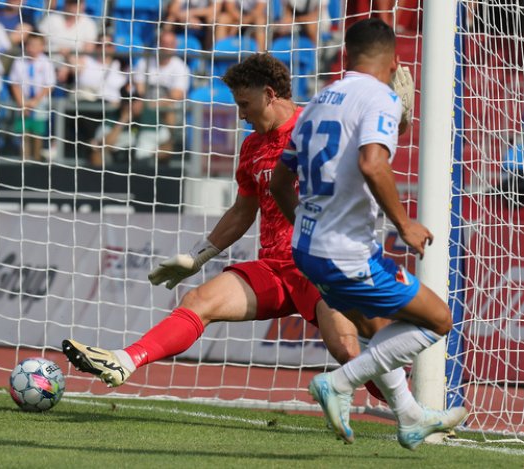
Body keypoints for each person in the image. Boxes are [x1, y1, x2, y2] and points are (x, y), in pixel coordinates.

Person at [62, 53, 389, 405]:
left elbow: (369, 153)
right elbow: (243, 210)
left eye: (245, 104)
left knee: (346, 349)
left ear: (268, 94)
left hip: (320, 265)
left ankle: (414, 410)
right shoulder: (252, 147)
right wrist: (197, 257)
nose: (241, 115)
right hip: (275, 268)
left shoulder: (317, 127)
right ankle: (124, 361)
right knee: (197, 300)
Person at [269, 18, 467, 449]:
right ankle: (339, 382)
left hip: (306, 248)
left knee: (378, 325)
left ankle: (410, 416)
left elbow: (278, 183)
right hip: (346, 253)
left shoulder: (318, 101)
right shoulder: (380, 97)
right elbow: (372, 163)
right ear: (396, 61)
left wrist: (307, 221)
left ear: (346, 56)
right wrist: (406, 223)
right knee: (438, 320)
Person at [130, 30, 191, 164]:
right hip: (146, 105)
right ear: (158, 45)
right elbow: (139, 88)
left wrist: (150, 104)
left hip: (166, 108)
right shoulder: (144, 62)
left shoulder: (181, 67)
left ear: (175, 46)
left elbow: (176, 95)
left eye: (170, 44)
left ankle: (170, 143)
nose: (167, 48)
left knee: (169, 108)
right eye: (164, 44)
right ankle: (128, 144)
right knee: (132, 105)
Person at [71, 34, 128, 166]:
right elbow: (71, 65)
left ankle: (96, 146)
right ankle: (94, 144)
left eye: (108, 45)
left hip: (113, 111)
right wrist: (85, 47)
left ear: (113, 48)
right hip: (90, 108)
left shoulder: (122, 66)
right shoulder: (87, 61)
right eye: (100, 45)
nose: (104, 48)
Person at [9, 32, 56, 161]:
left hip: (39, 103)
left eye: (36, 45)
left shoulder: (46, 62)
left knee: (38, 133)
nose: (33, 48)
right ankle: (24, 160)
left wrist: (35, 101)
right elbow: (15, 83)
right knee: (24, 133)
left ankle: (36, 160)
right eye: (30, 44)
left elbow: (49, 85)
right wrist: (22, 103)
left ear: (42, 46)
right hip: (22, 102)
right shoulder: (19, 61)